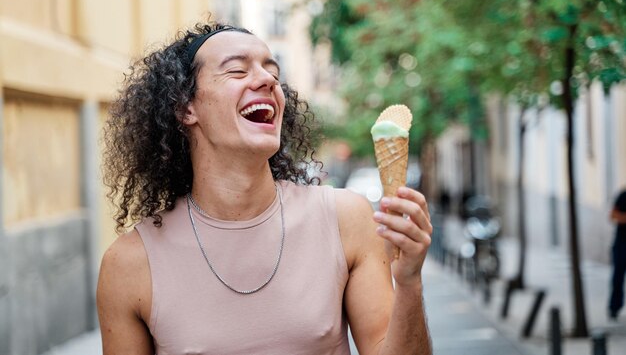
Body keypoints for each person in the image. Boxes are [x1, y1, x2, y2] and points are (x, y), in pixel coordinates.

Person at [97, 21, 433, 355]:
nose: (269, 79)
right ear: (186, 107)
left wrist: (408, 282)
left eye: (273, 70)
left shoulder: (347, 220)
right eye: (238, 71)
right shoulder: (129, 264)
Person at [609, 188, 626, 320]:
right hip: (621, 245)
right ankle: (614, 308)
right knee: (617, 277)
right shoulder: (623, 195)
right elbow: (613, 215)